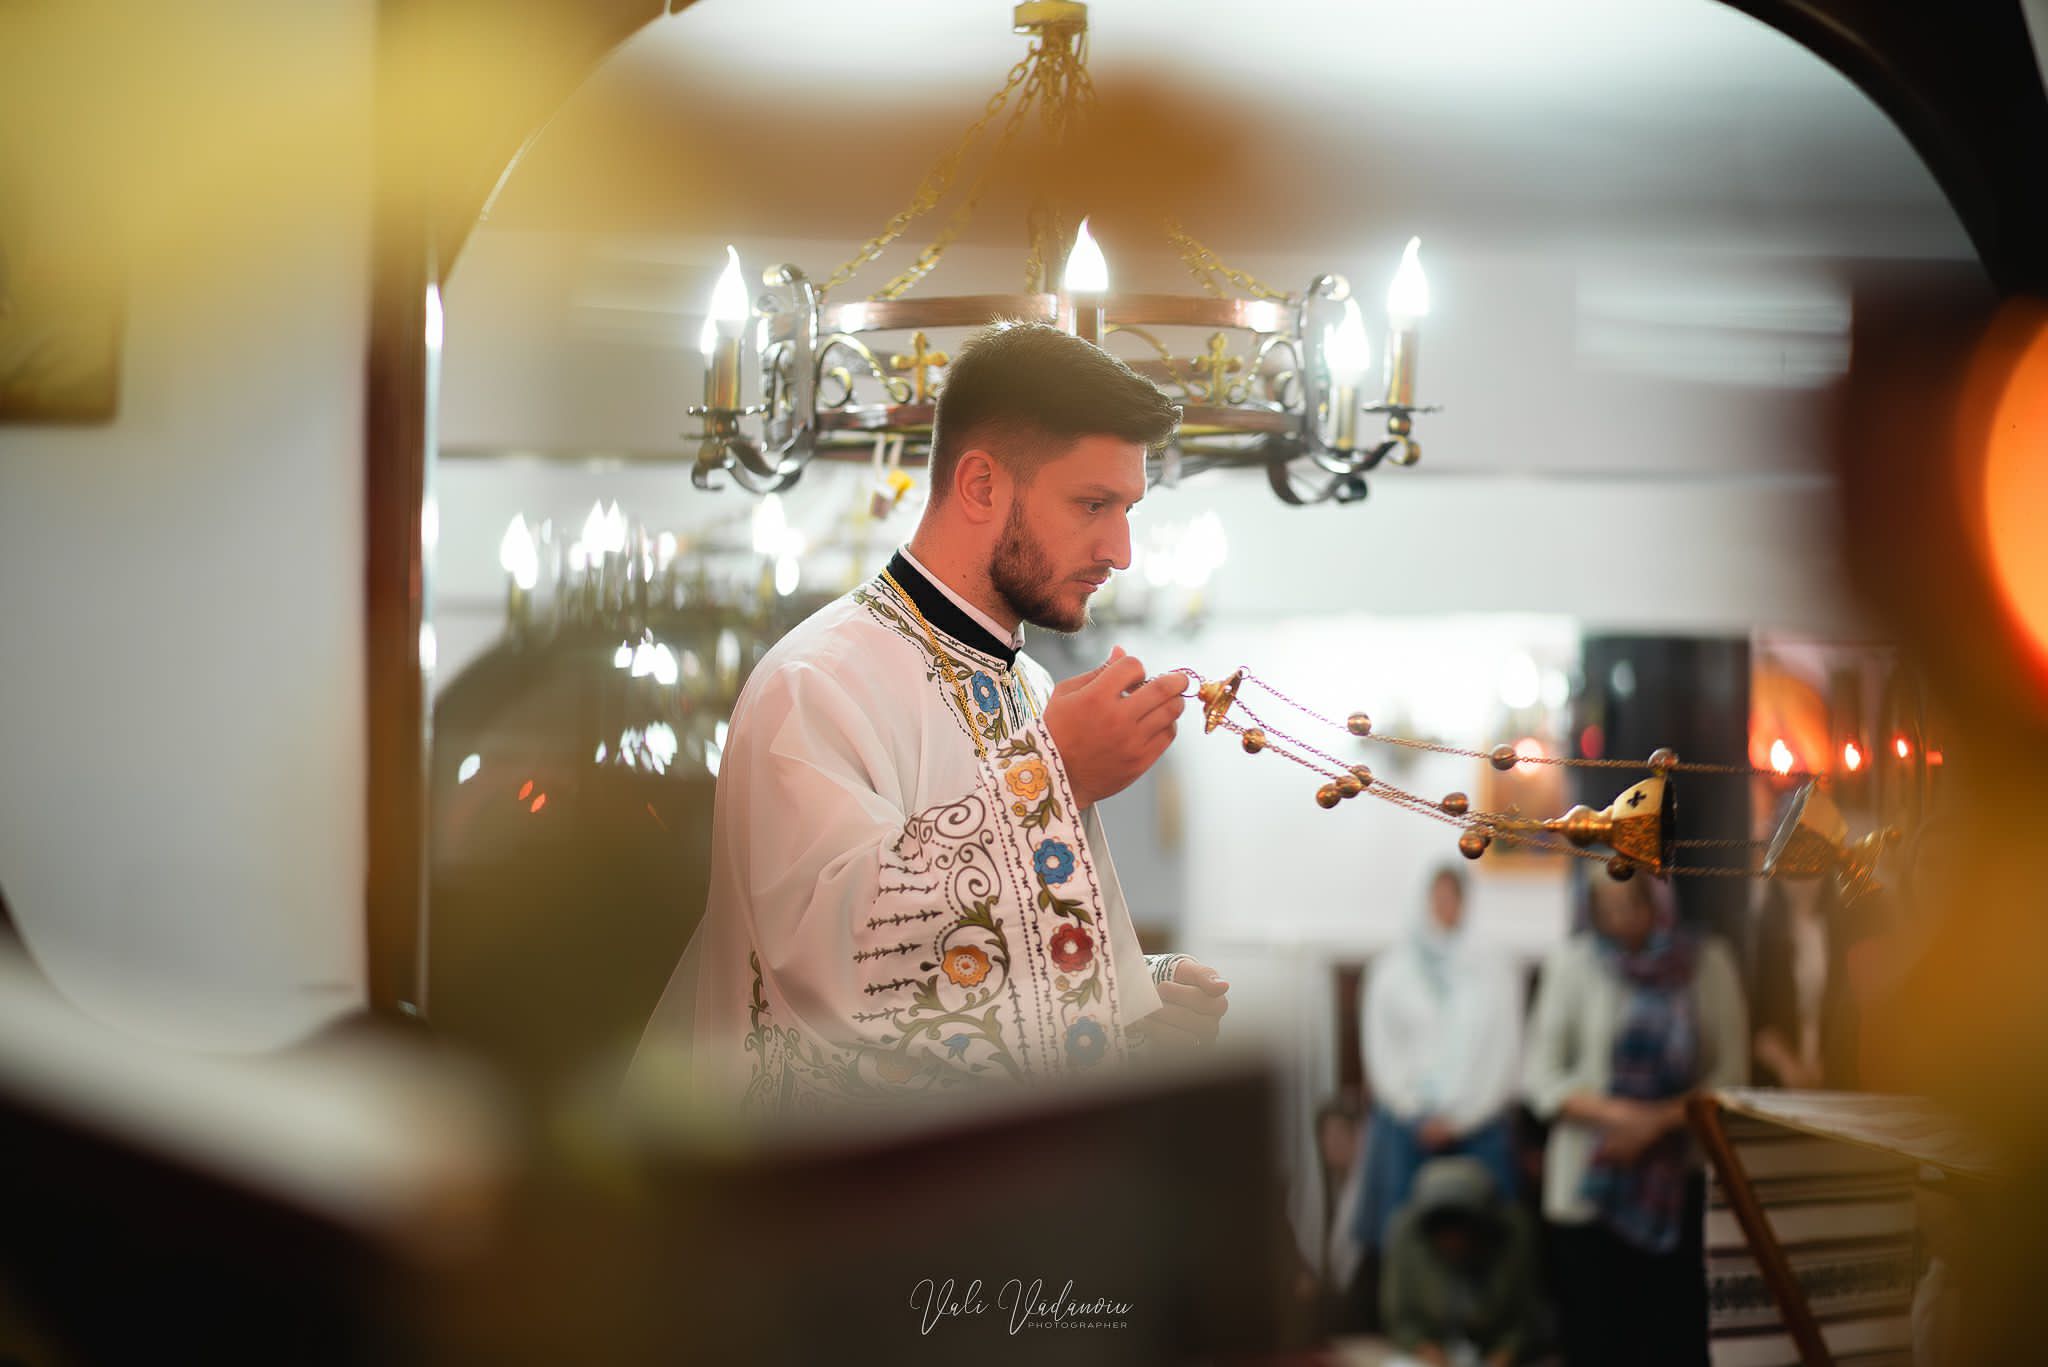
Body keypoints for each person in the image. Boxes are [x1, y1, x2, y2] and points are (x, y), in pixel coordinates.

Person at [627, 322, 1230, 1121]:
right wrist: (1050, 781)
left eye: (1128, 508)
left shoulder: (1029, 684)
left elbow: (976, 957)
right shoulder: (817, 681)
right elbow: (829, 965)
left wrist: (1125, 996)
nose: (1121, 550)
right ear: (980, 485)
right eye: (1093, 503)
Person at [1523, 873, 1748, 1367]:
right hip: (1588, 1184)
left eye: (1632, 904)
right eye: (1607, 907)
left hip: (1678, 1182)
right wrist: (1623, 1118)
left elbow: (1731, 1076)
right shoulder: (1573, 964)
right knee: (1597, 1343)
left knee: (1670, 1342)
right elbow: (1540, 1079)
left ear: (1658, 899)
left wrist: (1656, 1124)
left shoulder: (1707, 963)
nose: (1621, 919)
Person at [1354, 867, 1523, 1257]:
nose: (1446, 906)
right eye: (1439, 896)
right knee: (1401, 1230)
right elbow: (1380, 1050)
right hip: (1407, 1120)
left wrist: (1464, 1118)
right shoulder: (1392, 968)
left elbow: (1505, 1052)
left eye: (1454, 897)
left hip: (1477, 1122)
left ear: (1466, 902)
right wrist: (1413, 1110)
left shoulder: (1493, 967)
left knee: (1495, 1233)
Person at [1380, 1156, 1544, 1367]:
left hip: (1494, 1353)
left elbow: (1526, 1320)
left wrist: (1501, 1357)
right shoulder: (1406, 1235)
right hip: (1434, 1353)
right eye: (1443, 1227)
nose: (1453, 1240)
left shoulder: (1514, 1235)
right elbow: (1401, 1320)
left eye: (1460, 1228)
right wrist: (1432, 1354)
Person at [1750, 878, 1853, 1090]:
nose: (1803, 879)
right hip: (1778, 1078)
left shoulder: (1842, 928)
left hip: (1834, 1072)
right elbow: (1756, 1020)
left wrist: (1828, 1063)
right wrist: (1789, 1068)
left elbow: (1852, 1007)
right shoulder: (1763, 933)